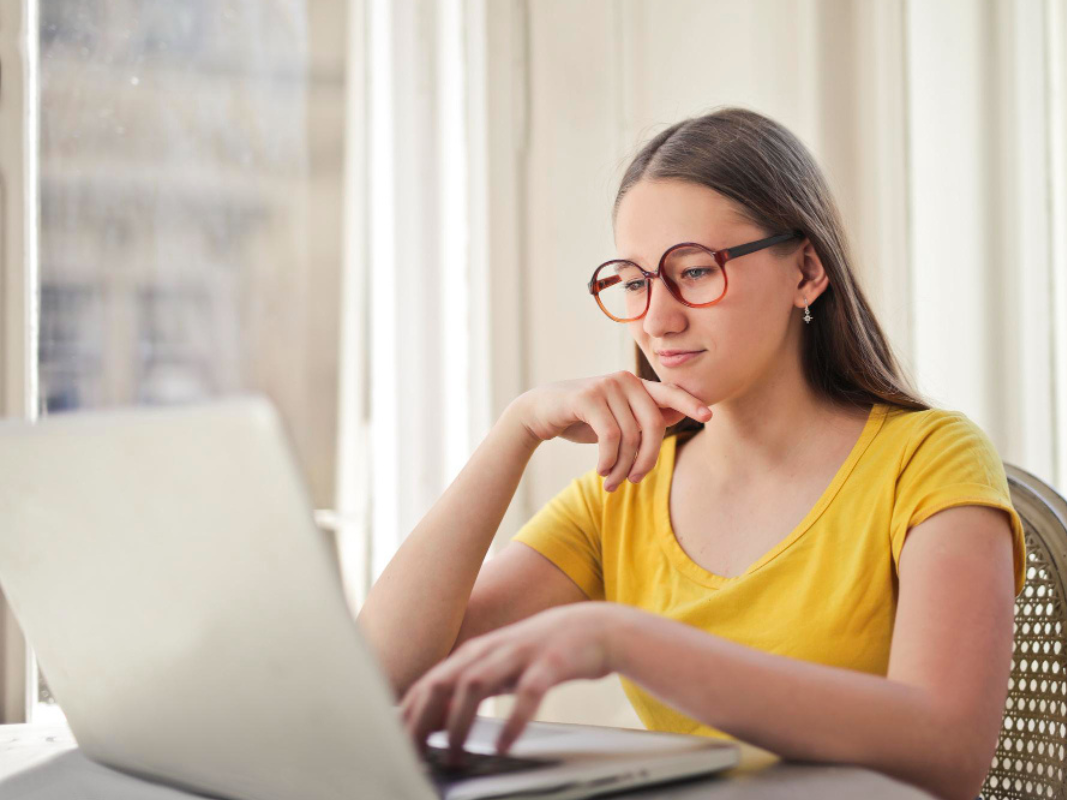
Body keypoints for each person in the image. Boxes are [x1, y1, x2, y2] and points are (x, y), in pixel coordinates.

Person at [356, 107, 1026, 800]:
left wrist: (625, 640)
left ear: (806, 271)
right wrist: (515, 430)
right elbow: (384, 675)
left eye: (697, 272)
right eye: (636, 281)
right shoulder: (625, 492)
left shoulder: (931, 460)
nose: (656, 319)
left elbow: (948, 752)